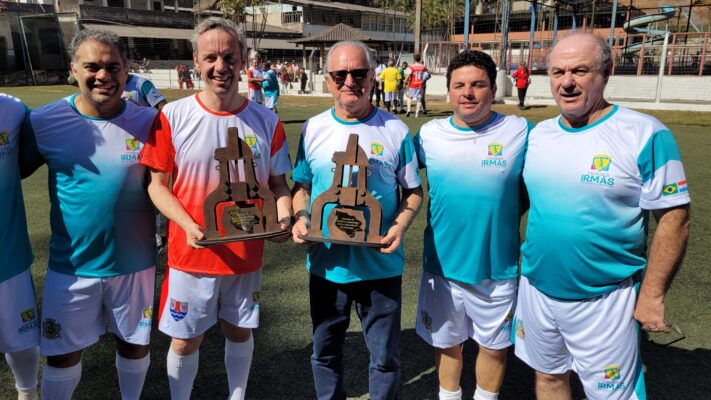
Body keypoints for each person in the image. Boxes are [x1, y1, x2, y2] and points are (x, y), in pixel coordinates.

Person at [514, 32, 691, 400]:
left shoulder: (645, 134)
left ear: (606, 71)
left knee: (613, 396)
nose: (566, 82)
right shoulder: (540, 134)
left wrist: (653, 295)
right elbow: (522, 201)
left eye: (580, 70)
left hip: (607, 299)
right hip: (537, 289)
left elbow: (675, 218)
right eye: (558, 71)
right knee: (548, 378)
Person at [139, 17, 293, 400]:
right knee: (184, 340)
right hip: (192, 254)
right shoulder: (172, 117)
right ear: (196, 61)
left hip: (246, 253)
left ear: (242, 60)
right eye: (211, 57)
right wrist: (188, 225)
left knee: (239, 331)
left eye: (229, 56)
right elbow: (157, 187)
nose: (220, 66)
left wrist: (285, 217)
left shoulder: (267, 121)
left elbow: (278, 184)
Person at [23, 29, 158, 400]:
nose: (104, 75)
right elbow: (13, 171)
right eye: (92, 66)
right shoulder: (43, 121)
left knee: (134, 345)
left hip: (135, 265)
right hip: (71, 268)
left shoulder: (150, 123)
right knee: (61, 355)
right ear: (73, 69)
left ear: (126, 70)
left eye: (113, 66)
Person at [291, 40, 423, 400]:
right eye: (340, 73)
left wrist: (398, 226)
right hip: (326, 265)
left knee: (384, 359)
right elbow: (300, 186)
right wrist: (301, 217)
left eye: (358, 72)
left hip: (380, 267)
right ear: (329, 80)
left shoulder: (395, 130)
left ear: (372, 74)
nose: (350, 80)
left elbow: (413, 192)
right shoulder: (313, 128)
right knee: (324, 353)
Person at [414, 50, 531, 400]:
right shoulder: (428, 135)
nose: (468, 92)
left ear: (493, 90)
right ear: (449, 91)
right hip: (442, 264)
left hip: (497, 267)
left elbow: (535, 188)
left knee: (494, 347)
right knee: (447, 344)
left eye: (478, 85)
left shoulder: (520, 131)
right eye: (459, 85)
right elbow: (395, 179)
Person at [1, 93, 40, 400]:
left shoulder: (14, 110)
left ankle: (26, 395)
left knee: (24, 343)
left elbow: (29, 159)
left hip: (8, 257)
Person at [122, 73, 168, 253]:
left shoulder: (141, 84)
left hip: (144, 142)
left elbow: (162, 106)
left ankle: (154, 234)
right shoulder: (111, 82)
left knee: (150, 188)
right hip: (120, 141)